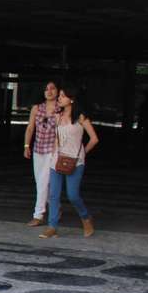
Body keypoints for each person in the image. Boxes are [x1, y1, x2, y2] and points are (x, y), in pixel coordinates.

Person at [40, 84, 99, 239]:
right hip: (57, 160)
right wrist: (53, 154)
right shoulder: (57, 116)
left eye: (62, 96)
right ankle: (52, 227)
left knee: (73, 195)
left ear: (71, 99)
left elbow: (94, 139)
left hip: (76, 161)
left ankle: (86, 218)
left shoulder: (81, 117)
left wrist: (82, 153)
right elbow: (56, 137)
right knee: (53, 195)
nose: (59, 98)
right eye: (59, 96)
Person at [22, 80, 60, 226]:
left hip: (53, 150)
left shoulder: (61, 109)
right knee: (42, 182)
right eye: (46, 89)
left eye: (52, 88)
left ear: (58, 91)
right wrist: (26, 145)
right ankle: (57, 208)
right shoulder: (37, 108)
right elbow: (30, 128)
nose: (49, 91)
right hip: (38, 150)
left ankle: (38, 215)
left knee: (43, 182)